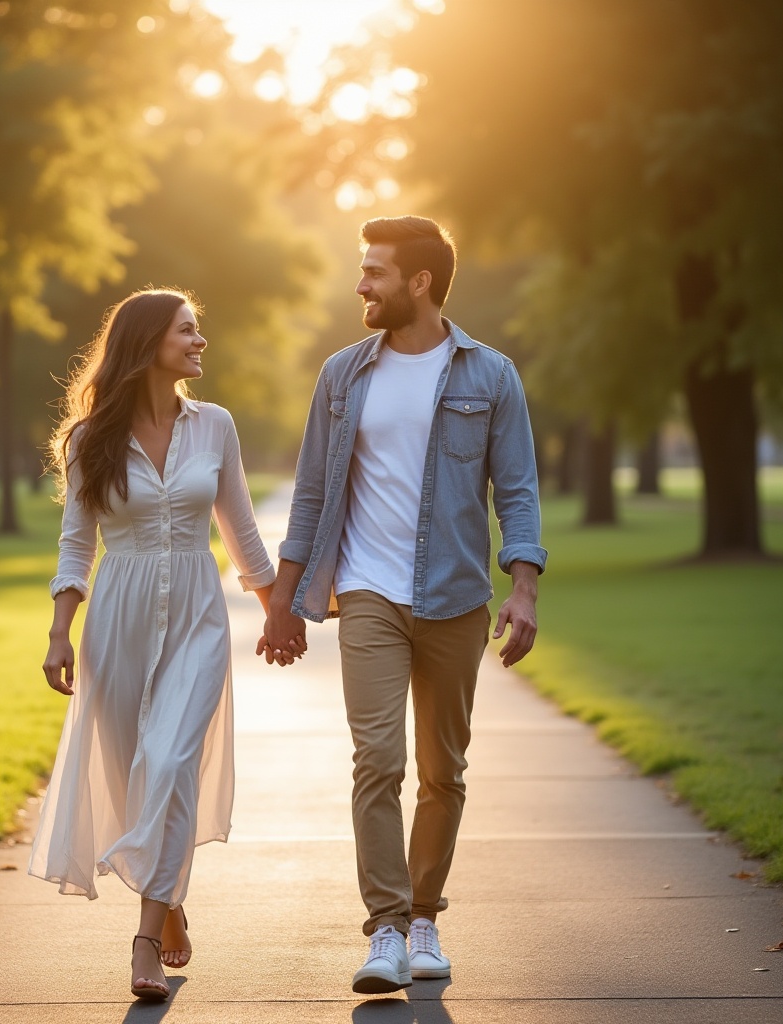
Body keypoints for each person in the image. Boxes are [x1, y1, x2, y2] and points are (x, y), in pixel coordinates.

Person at [259, 216, 547, 994]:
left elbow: (516, 490)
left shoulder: (491, 376)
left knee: (442, 770)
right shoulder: (342, 375)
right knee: (377, 761)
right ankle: (385, 928)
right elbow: (313, 494)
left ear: (419, 282)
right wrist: (281, 602)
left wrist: (523, 589)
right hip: (367, 593)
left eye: (374, 272)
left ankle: (425, 917)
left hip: (455, 597)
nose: (360, 284)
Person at [31, 288, 297, 1002]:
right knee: (128, 776)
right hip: (115, 619)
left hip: (197, 619)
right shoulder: (92, 440)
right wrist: (61, 630)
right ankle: (169, 897)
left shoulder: (215, 427)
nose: (200, 341)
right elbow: (75, 543)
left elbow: (241, 533)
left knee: (173, 761)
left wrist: (278, 615)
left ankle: (144, 939)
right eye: (187, 331)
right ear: (149, 342)